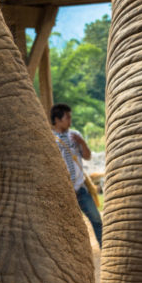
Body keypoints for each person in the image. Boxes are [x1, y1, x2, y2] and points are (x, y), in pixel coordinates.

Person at [50, 103, 103, 247]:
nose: (70, 120)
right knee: (67, 227)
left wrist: (82, 143)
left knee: (97, 220)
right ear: (57, 119)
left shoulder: (75, 135)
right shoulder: (49, 139)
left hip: (80, 188)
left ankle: (104, 251)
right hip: (63, 193)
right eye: (67, 117)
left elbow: (88, 157)